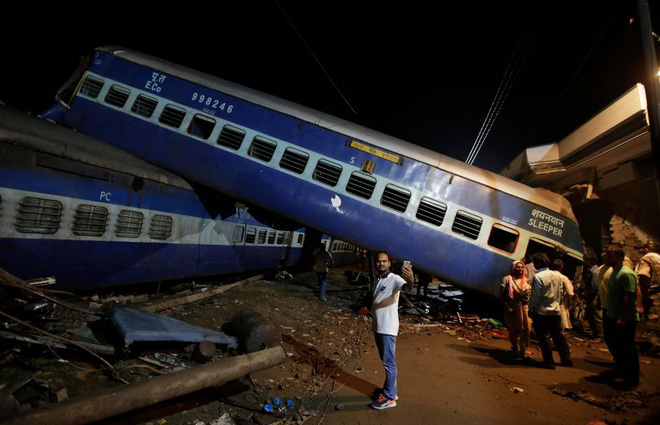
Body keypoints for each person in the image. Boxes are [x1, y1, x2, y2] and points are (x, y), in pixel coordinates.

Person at [369, 251, 414, 410]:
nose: (381, 264)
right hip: (379, 327)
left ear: (389, 263)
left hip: (387, 328)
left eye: (384, 261)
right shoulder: (378, 279)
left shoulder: (394, 278)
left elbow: (407, 287)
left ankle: (389, 398)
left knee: (389, 363)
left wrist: (411, 279)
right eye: (379, 261)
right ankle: (391, 391)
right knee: (386, 361)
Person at [603, 243, 640, 389]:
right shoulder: (614, 271)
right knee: (615, 344)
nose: (605, 257)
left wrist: (622, 318)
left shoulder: (627, 274)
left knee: (628, 347)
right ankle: (620, 369)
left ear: (619, 257)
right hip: (612, 315)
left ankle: (632, 378)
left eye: (609, 255)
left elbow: (629, 296)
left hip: (625, 318)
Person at [529, 253, 573, 369]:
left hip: (542, 312)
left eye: (534, 263)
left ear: (538, 263)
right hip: (556, 311)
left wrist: (531, 308)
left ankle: (549, 362)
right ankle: (566, 359)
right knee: (559, 336)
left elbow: (535, 295)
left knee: (544, 338)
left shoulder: (538, 277)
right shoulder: (558, 276)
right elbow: (560, 293)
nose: (534, 265)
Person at [501, 260, 532, 358]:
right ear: (513, 268)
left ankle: (523, 350)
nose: (520, 269)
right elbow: (502, 295)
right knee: (513, 329)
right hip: (513, 307)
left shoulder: (527, 281)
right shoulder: (507, 279)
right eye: (517, 267)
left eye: (522, 267)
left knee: (526, 329)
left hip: (525, 307)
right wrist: (508, 306)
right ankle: (514, 346)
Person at [635, 240, 660, 321]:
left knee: (651, 322)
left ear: (646, 249)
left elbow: (643, 275)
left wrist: (644, 295)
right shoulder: (658, 258)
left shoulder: (647, 258)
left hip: (651, 295)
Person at [550, 259, 575, 331]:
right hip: (560, 303)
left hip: (546, 302)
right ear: (561, 267)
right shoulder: (563, 278)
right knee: (559, 324)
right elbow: (570, 292)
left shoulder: (545, 276)